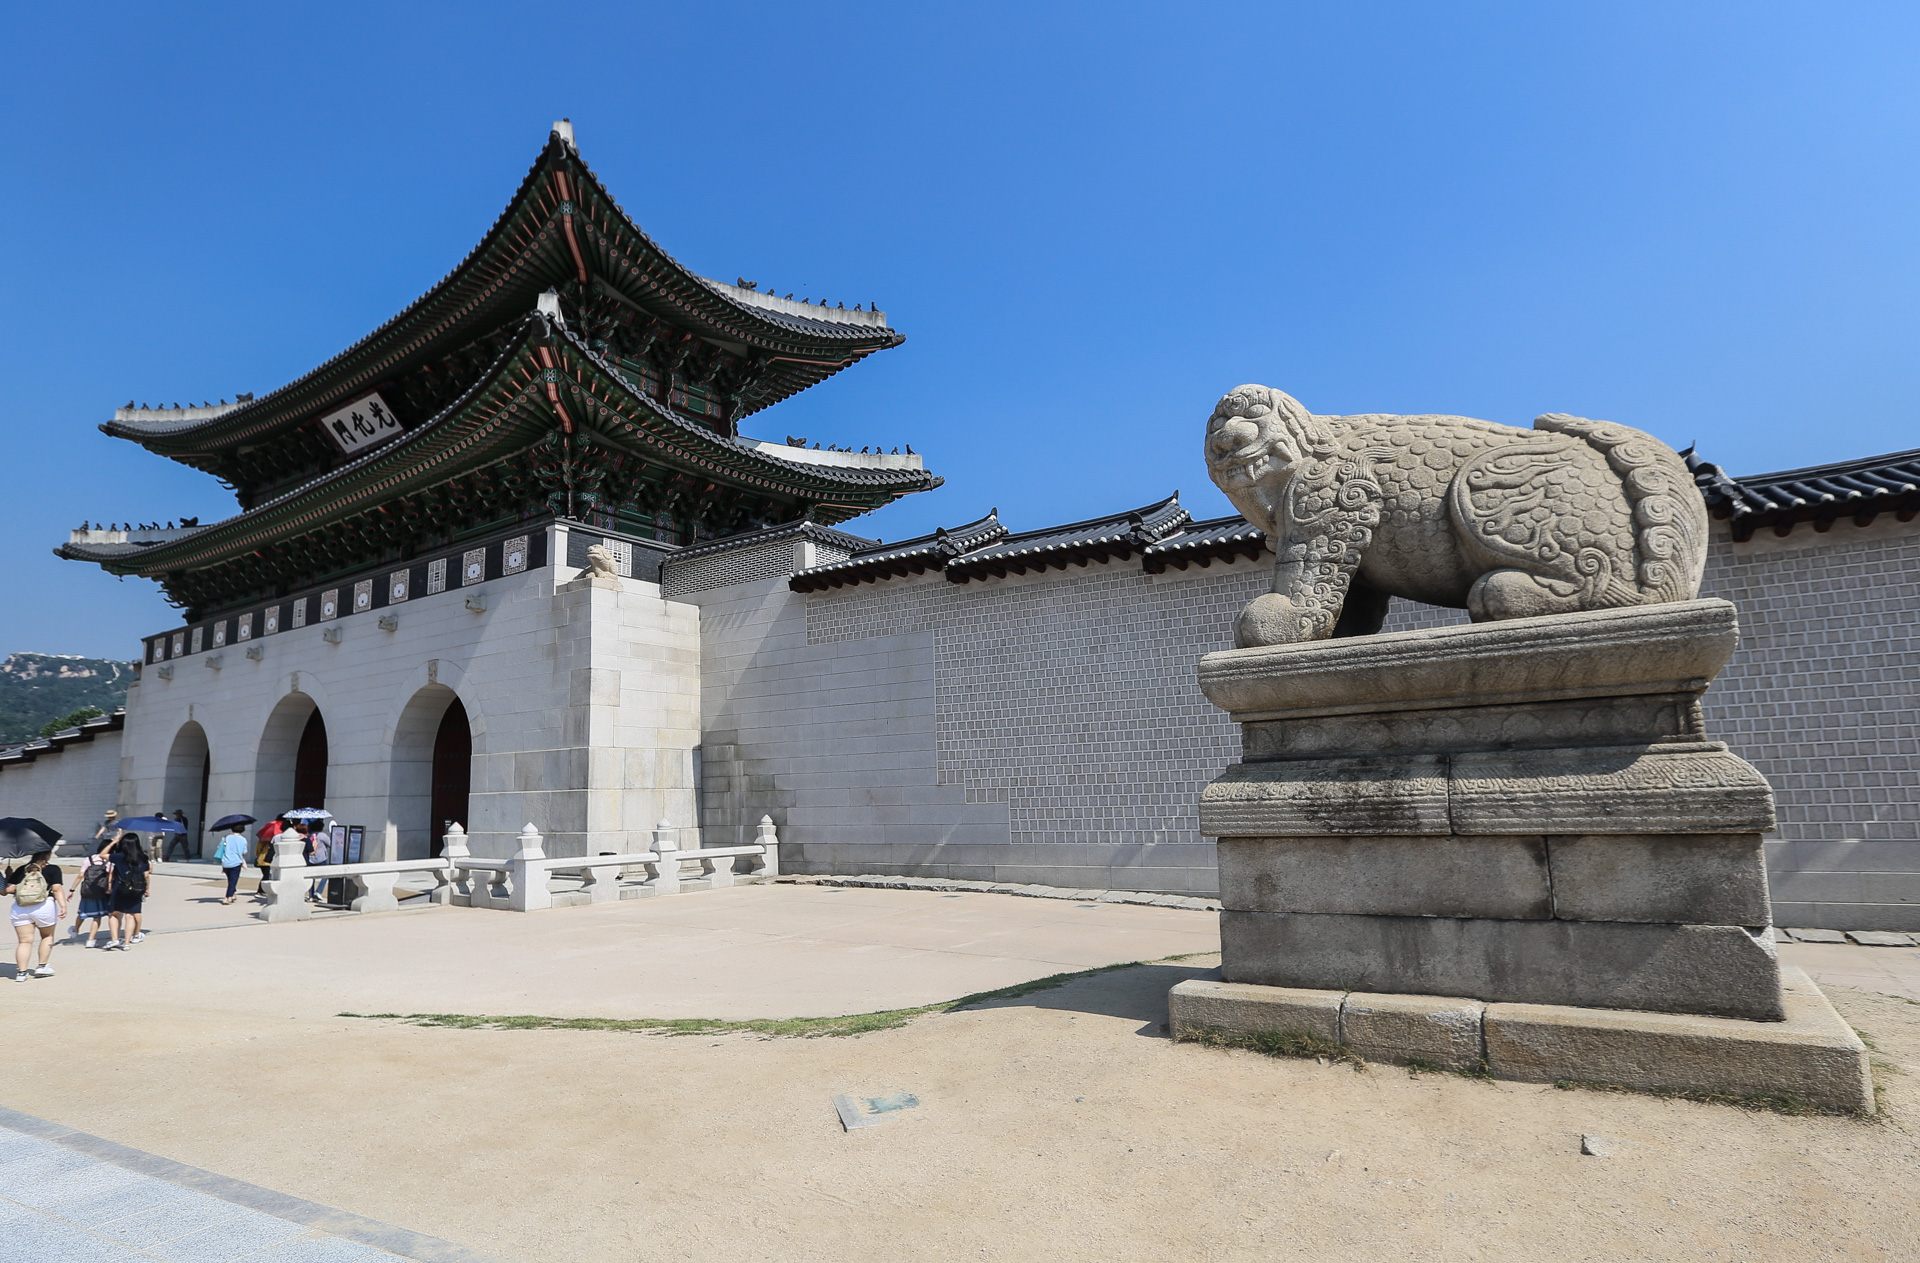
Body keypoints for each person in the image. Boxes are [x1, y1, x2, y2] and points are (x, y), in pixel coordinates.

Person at [7, 850, 67, 980]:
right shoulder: (53, 869)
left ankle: (21, 973)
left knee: (24, 941)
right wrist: (63, 905)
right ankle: (42, 966)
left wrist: (9, 876)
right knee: (47, 936)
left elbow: (9, 890)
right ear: (48, 854)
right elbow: (56, 889)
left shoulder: (22, 869)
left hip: (21, 907)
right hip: (44, 906)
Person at [104, 835, 150, 950]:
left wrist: (113, 842)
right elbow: (146, 875)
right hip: (136, 889)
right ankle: (126, 943)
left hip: (120, 888)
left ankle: (115, 939)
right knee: (130, 916)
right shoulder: (143, 857)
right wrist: (146, 889)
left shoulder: (119, 857)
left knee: (114, 914)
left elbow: (102, 855)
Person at [70, 850, 112, 946]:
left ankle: (75, 930)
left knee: (82, 913)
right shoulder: (108, 861)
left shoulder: (89, 859)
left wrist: (72, 890)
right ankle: (91, 940)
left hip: (88, 891)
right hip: (101, 891)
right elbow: (110, 875)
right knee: (97, 917)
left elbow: (81, 875)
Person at [213, 824, 248, 905]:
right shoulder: (243, 839)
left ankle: (233, 893)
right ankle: (227, 897)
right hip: (236, 862)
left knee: (230, 880)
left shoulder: (226, 837)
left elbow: (220, 847)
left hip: (225, 862)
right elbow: (244, 852)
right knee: (233, 881)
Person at [255, 817, 283, 897]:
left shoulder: (263, 840)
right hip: (267, 860)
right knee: (266, 876)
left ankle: (262, 890)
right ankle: (260, 891)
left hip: (262, 859)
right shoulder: (276, 839)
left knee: (266, 876)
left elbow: (257, 850)